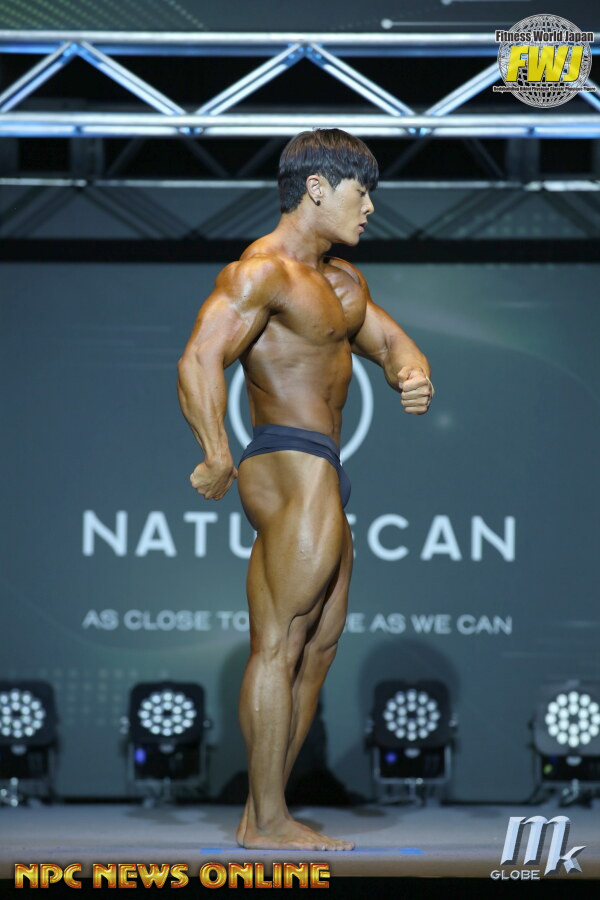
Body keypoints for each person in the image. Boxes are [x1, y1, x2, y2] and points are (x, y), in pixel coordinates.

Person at [177, 128, 433, 851]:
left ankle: (264, 811)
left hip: (325, 462)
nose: (371, 207)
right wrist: (215, 451)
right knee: (282, 640)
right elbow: (199, 359)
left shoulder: (344, 282)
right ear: (317, 188)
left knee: (318, 647)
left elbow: (390, 342)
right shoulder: (261, 272)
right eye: (361, 192)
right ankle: (267, 822)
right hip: (287, 457)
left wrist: (410, 374)